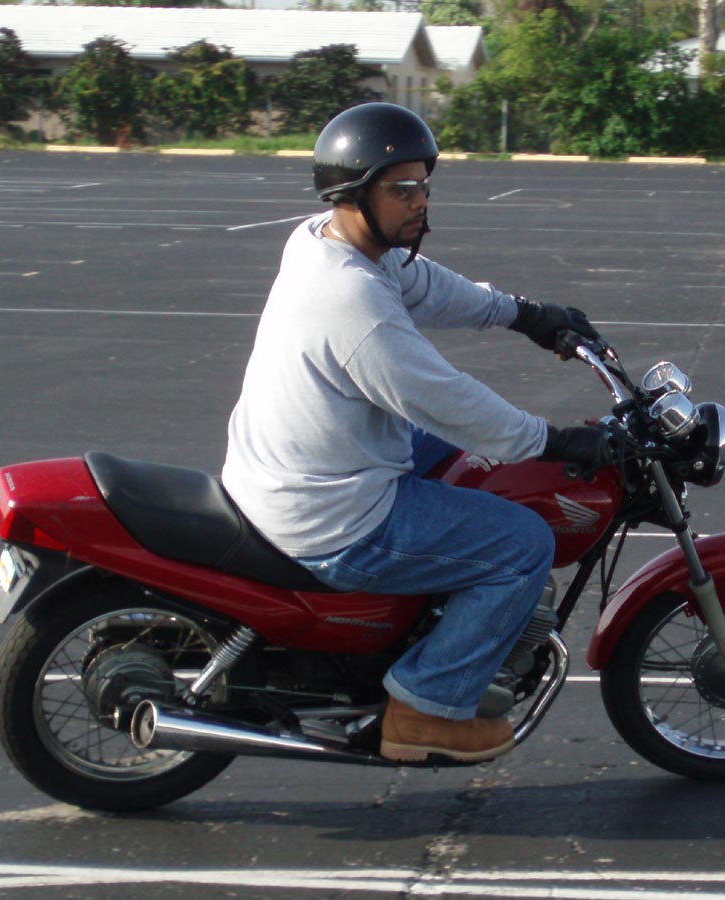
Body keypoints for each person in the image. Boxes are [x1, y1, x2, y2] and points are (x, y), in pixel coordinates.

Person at [223, 102, 610, 763]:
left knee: (471, 465)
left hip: (304, 464)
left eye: (424, 185)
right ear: (352, 194)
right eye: (402, 189)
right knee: (523, 544)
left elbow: (424, 284)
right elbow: (444, 399)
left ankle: (426, 621)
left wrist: (524, 314)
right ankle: (425, 708)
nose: (420, 201)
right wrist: (553, 442)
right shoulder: (350, 299)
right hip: (330, 513)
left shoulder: (325, 240)